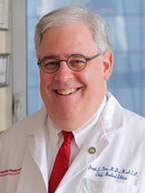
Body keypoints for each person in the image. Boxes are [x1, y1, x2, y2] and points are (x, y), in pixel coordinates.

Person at [0, 6, 145, 193]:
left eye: (77, 61)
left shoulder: (140, 143)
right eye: (50, 63)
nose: (63, 77)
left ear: (106, 65)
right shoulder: (8, 145)